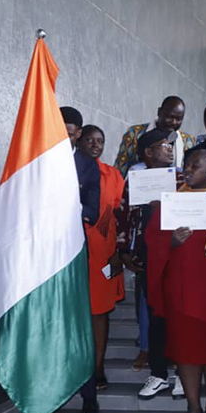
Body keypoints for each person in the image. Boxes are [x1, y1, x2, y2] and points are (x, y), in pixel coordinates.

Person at [144, 150, 206, 413]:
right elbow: (152, 241)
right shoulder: (171, 201)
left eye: (195, 166)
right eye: (186, 165)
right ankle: (193, 407)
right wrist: (171, 242)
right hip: (181, 286)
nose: (188, 170)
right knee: (186, 347)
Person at [115, 128, 185, 400]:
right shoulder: (135, 180)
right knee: (156, 317)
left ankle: (181, 372)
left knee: (177, 316)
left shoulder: (181, 178)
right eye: (163, 146)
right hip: (146, 258)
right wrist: (124, 251)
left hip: (177, 257)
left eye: (170, 146)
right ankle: (158, 374)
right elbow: (123, 215)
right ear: (147, 152)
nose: (169, 149)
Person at [76, 125, 125, 396]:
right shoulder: (66, 170)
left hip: (103, 254)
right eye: (90, 140)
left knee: (99, 313)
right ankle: (74, 369)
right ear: (79, 141)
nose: (95, 145)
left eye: (100, 141)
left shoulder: (114, 175)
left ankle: (97, 367)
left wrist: (118, 251)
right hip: (71, 251)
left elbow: (119, 215)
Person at [61, 107, 102, 413]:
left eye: (72, 130)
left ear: (78, 133)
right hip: (39, 255)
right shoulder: (33, 162)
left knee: (79, 324)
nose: (66, 134)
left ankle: (89, 399)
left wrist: (63, 208)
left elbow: (92, 209)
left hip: (72, 251)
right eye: (60, 127)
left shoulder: (87, 166)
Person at [115, 96, 196, 176]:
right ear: (159, 112)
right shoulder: (135, 133)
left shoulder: (188, 141)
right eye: (169, 117)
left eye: (178, 119)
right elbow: (120, 169)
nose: (174, 122)